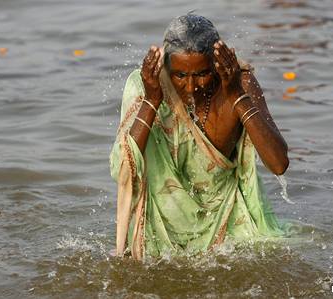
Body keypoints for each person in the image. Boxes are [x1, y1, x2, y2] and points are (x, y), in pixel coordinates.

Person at [110, 14, 289, 260]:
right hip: (163, 229)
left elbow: (279, 164)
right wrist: (152, 101)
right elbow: (124, 170)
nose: (192, 86)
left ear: (217, 65)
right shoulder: (148, 85)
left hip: (229, 224)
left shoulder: (239, 83)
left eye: (202, 73)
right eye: (180, 75)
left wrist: (237, 94)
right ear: (165, 67)